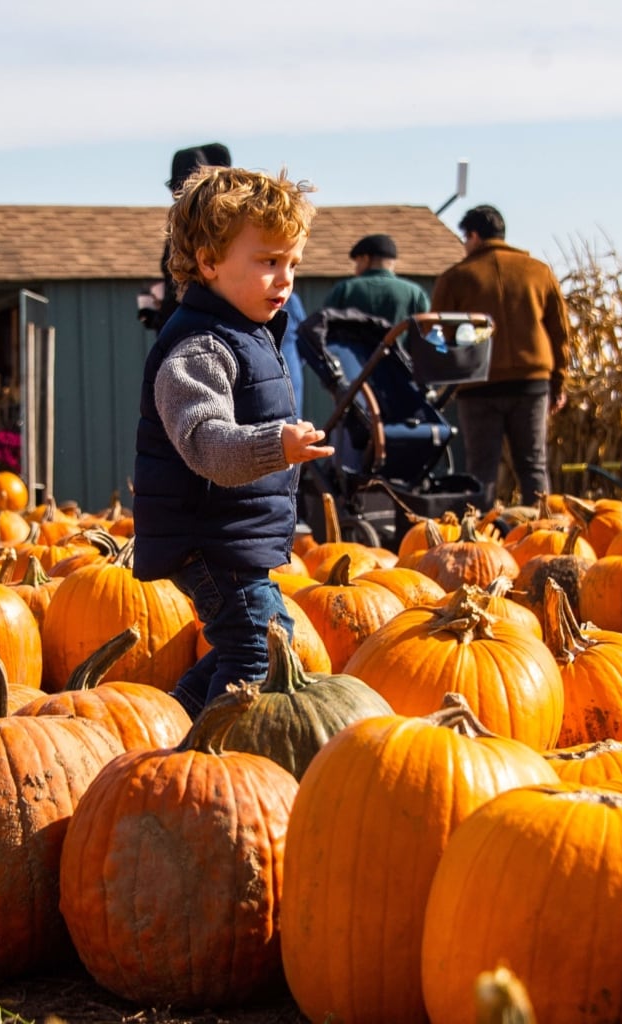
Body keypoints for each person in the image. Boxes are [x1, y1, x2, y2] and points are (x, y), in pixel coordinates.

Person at [132, 166, 332, 718]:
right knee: (260, 650)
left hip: (229, 536)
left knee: (246, 644)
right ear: (209, 261)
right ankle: (206, 757)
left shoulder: (245, 334)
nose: (285, 279)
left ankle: (173, 720)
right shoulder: (200, 348)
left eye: (292, 263)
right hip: (206, 537)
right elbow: (207, 444)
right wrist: (277, 445)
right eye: (268, 262)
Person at [430, 204, 570, 507]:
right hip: (531, 383)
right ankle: (543, 530)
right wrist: (558, 383)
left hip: (478, 384)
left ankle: (478, 534)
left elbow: (439, 333)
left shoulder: (457, 277)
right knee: (532, 465)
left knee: (482, 471)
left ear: (474, 235)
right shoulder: (538, 271)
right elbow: (560, 334)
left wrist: (445, 382)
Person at [137, 143, 233, 333]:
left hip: (194, 329)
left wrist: (160, 316)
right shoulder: (222, 227)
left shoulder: (195, 230)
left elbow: (187, 291)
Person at [320, 233, 430, 325]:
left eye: (357, 263)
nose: (356, 269)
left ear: (366, 259)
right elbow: (428, 330)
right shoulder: (415, 293)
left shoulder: (345, 289)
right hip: (403, 351)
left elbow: (323, 326)